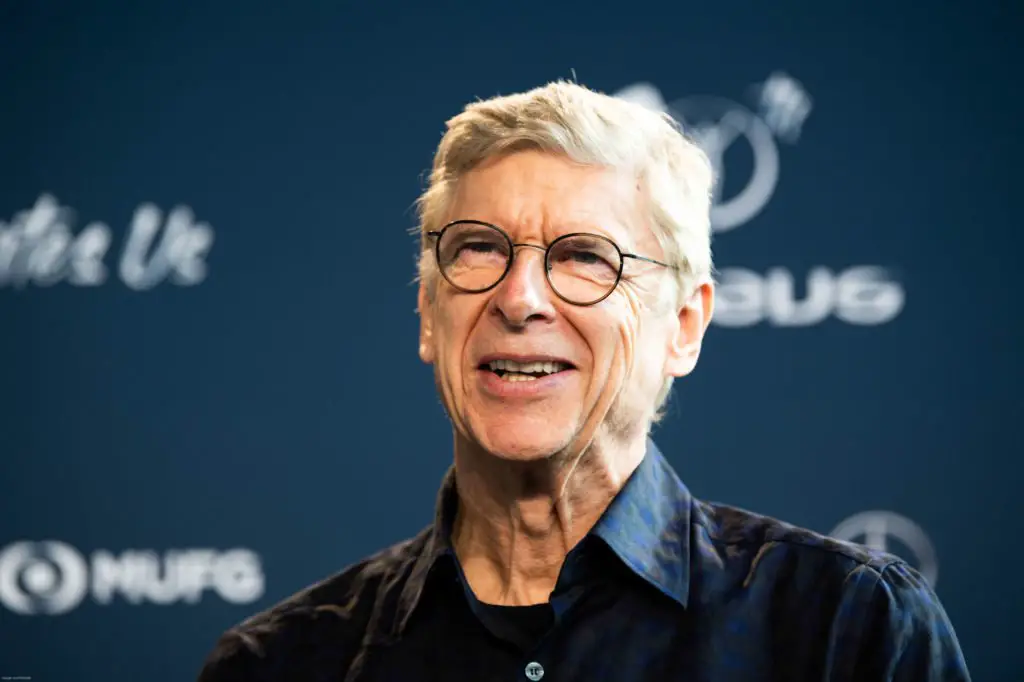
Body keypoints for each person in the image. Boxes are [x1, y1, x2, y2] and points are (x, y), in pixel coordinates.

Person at [196, 81, 971, 681]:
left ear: (684, 326)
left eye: (584, 257)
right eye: (478, 248)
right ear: (429, 313)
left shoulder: (847, 630)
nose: (519, 298)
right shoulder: (278, 666)